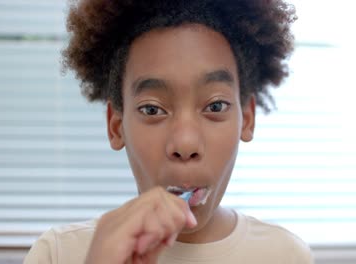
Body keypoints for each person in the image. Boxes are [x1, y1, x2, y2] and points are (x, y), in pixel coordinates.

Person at [24, 0, 313, 263]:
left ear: (247, 119)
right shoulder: (59, 253)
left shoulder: (286, 255)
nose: (185, 144)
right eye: (152, 109)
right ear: (116, 127)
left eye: (215, 106)